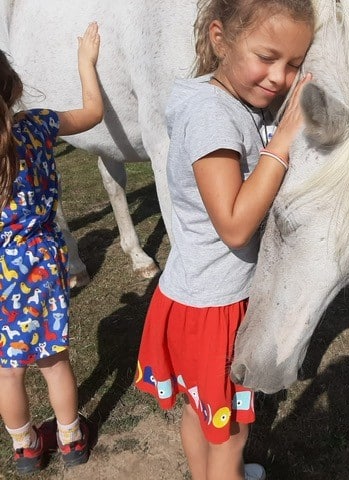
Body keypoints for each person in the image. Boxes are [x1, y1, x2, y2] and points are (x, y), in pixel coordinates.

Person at [134, 1, 314, 479]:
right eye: (268, 56)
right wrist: (284, 139)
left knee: (201, 411)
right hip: (215, 306)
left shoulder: (216, 100)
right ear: (220, 38)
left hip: (190, 296)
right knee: (231, 431)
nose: (280, 76)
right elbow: (234, 224)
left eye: (294, 63)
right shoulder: (213, 115)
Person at [0, 22, 104, 475]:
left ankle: (25, 449)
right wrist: (86, 63)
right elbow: (93, 113)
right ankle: (71, 439)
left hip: (2, 268)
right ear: (15, 87)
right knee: (53, 359)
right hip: (43, 257)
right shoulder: (39, 125)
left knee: (7, 370)